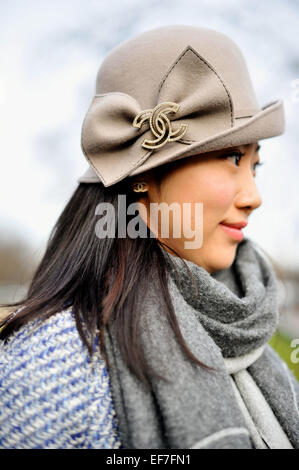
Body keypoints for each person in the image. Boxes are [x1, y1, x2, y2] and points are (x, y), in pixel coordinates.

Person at [0, 24, 298, 449]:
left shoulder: (244, 327)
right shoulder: (54, 367)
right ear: (143, 176)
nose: (254, 197)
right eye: (231, 157)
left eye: (255, 165)